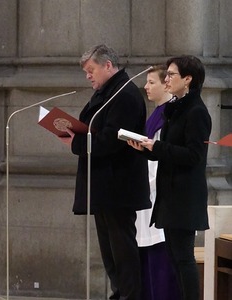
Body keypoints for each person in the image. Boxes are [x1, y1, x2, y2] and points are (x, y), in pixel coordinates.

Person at [60, 44, 151, 300]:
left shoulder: (124, 95)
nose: (88, 76)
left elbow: (112, 140)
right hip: (105, 187)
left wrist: (75, 142)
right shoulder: (108, 93)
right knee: (111, 253)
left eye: (91, 70)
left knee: (123, 252)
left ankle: (130, 296)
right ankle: (119, 295)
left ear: (108, 66)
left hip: (118, 187)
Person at [128, 55, 212, 300]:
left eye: (171, 75)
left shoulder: (196, 111)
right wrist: (145, 150)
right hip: (171, 195)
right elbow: (168, 151)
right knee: (176, 258)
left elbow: (194, 156)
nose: (167, 79)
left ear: (188, 79)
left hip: (185, 197)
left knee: (184, 259)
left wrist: (157, 147)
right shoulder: (177, 109)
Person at [135, 65, 180, 300]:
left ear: (166, 84)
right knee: (146, 260)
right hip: (146, 195)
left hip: (158, 194)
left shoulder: (171, 114)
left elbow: (163, 157)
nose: (146, 87)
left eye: (151, 82)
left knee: (161, 261)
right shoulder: (156, 113)